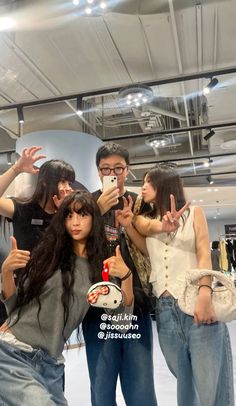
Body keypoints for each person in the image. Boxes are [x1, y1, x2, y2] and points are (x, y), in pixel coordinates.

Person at [0, 190, 133, 406]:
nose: (75, 222)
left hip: (50, 365)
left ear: (94, 219)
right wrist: (6, 272)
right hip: (11, 352)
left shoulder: (99, 271)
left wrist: (126, 275)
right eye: (69, 216)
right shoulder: (48, 255)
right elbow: (14, 306)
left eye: (82, 215)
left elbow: (123, 323)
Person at [117, 165, 234, 406]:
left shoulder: (195, 213)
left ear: (164, 185)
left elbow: (204, 252)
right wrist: (129, 224)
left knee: (210, 384)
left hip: (196, 304)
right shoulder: (146, 222)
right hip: (165, 310)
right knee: (184, 381)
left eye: (149, 182)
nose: (143, 187)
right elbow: (146, 251)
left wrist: (205, 291)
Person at [82, 142, 158, 406]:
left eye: (118, 168)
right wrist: (97, 211)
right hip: (97, 308)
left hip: (135, 305)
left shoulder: (141, 204)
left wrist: (129, 226)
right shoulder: (88, 204)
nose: (112, 173)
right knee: (101, 390)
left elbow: (153, 253)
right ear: (98, 171)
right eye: (105, 169)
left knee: (141, 391)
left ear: (128, 170)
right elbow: (75, 249)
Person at [0, 147, 75, 325]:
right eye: (63, 181)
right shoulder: (23, 208)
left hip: (51, 297)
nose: (68, 188)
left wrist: (64, 214)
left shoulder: (69, 217)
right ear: (44, 183)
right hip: (17, 293)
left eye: (69, 183)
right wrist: (16, 169)